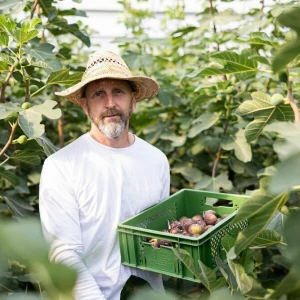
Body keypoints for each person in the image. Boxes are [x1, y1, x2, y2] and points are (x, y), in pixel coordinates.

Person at [39, 50, 170, 299]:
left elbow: (159, 237)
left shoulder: (156, 160)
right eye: (99, 94)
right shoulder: (62, 166)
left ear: (133, 100)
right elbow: (64, 253)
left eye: (118, 92)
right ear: (85, 106)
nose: (110, 103)